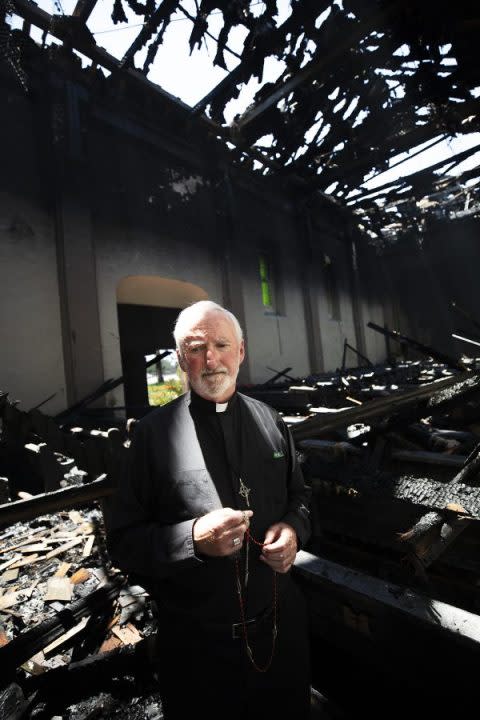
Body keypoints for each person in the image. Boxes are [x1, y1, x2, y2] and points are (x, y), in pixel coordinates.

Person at [107, 300, 312, 719]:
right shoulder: (151, 437)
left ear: (241, 352)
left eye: (222, 344)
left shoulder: (272, 422)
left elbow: (302, 500)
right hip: (198, 654)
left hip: (279, 636)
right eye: (197, 347)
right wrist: (193, 539)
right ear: (181, 357)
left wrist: (293, 531)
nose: (211, 358)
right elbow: (123, 543)